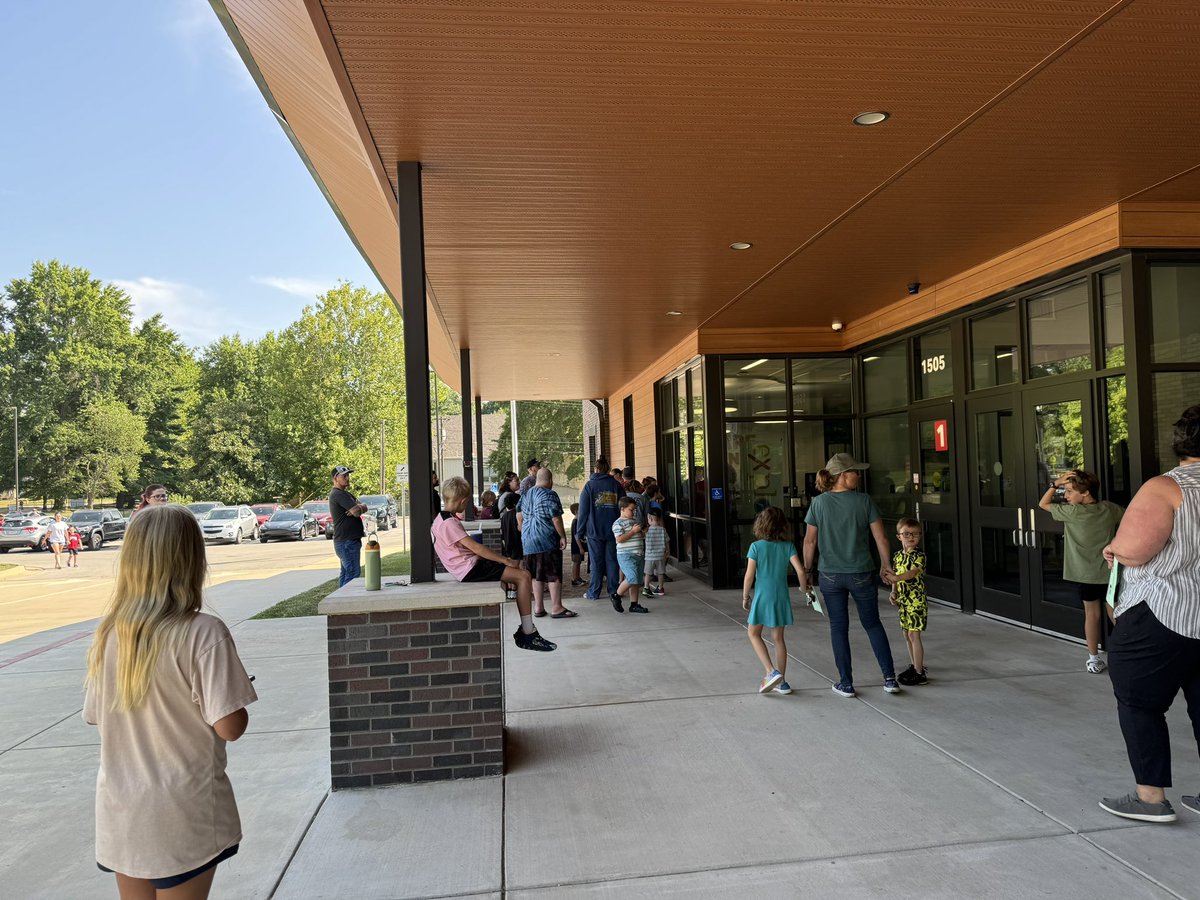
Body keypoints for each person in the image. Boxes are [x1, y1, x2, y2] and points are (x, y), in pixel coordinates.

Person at [84, 503, 257, 898]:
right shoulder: (203, 633)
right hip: (181, 811)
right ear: (192, 560)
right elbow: (230, 727)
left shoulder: (110, 634)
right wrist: (232, 690)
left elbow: (97, 716)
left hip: (121, 811)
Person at [1098, 405, 1200, 824]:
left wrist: (1114, 549)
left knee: (1139, 702)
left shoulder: (1166, 487)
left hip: (1163, 614)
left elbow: (1137, 549)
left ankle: (1150, 798)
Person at [803, 452, 900, 698]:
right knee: (872, 623)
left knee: (838, 627)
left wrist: (806, 571)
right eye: (855, 472)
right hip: (861, 572)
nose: (858, 475)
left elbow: (810, 541)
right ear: (842, 476)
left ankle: (846, 683)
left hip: (830, 575)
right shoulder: (863, 501)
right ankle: (889, 678)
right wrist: (885, 565)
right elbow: (881, 537)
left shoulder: (819, 503)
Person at [431, 476, 556, 652]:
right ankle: (528, 633)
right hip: (470, 569)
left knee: (519, 577)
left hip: (466, 568)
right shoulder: (449, 523)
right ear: (463, 501)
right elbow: (477, 548)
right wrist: (505, 560)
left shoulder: (439, 520)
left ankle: (527, 629)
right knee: (523, 576)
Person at [1038, 468, 1124, 673]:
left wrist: (1055, 483)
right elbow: (1130, 518)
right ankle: (1125, 653)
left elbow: (1043, 504)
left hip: (1084, 574)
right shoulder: (1109, 509)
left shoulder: (1072, 512)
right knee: (1117, 614)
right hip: (1110, 572)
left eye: (1069, 491)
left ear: (1085, 493)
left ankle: (1094, 658)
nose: (1065, 496)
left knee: (1091, 615)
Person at [742, 506, 808, 694]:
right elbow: (801, 571)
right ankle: (782, 682)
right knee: (778, 638)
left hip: (763, 596)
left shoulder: (756, 547)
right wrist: (804, 588)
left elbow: (749, 576)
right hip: (781, 596)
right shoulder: (788, 546)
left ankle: (771, 671)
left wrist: (746, 596)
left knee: (753, 633)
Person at [517, 468, 574, 618]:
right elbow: (556, 518)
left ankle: (538, 607)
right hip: (546, 540)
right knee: (552, 574)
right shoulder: (550, 494)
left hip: (528, 541)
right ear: (550, 481)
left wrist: (523, 529)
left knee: (536, 575)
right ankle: (556, 607)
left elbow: (519, 515)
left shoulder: (525, 495)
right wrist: (562, 536)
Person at [886, 517, 929, 686]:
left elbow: (911, 573)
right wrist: (893, 592)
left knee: (914, 634)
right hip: (904, 601)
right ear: (899, 536)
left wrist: (895, 577)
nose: (911, 537)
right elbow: (896, 577)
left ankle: (920, 672)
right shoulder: (898, 556)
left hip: (916, 601)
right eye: (907, 534)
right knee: (906, 634)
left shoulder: (919, 556)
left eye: (916, 534)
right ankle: (914, 665)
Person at [576, 456, 624, 601]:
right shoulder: (616, 485)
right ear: (608, 470)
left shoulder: (589, 486)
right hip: (613, 531)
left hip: (594, 531)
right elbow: (623, 507)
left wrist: (579, 531)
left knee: (596, 562)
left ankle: (594, 593)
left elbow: (583, 511)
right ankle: (613, 592)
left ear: (595, 469)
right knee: (612, 561)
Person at [329, 465, 369, 587]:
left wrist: (360, 506)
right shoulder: (338, 494)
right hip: (347, 542)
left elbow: (362, 507)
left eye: (348, 475)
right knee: (352, 575)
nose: (347, 478)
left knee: (346, 573)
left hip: (347, 541)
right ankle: (345, 603)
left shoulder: (346, 494)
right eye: (344, 476)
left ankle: (340, 602)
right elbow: (356, 512)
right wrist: (358, 508)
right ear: (336, 478)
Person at [612, 497, 649, 613]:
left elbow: (638, 537)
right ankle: (616, 596)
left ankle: (634, 604)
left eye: (634, 510)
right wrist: (633, 531)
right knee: (632, 577)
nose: (633, 512)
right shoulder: (618, 523)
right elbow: (619, 539)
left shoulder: (633, 521)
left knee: (637, 581)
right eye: (631, 510)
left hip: (638, 554)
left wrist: (642, 532)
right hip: (626, 555)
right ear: (622, 509)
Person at [643, 508, 670, 597]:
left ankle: (646, 588)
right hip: (660, 556)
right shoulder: (663, 530)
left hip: (649, 557)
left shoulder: (647, 531)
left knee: (648, 573)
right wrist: (667, 552)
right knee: (660, 573)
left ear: (650, 519)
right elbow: (667, 542)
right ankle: (660, 589)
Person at [499, 491, 523, 561]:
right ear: (516, 504)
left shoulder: (504, 516)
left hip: (508, 546)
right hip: (519, 546)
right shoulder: (518, 514)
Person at [569, 502, 585, 587]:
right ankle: (575, 579)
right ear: (576, 511)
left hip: (579, 546)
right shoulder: (576, 522)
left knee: (578, 562)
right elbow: (576, 536)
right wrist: (580, 548)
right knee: (576, 562)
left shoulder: (578, 521)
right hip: (576, 547)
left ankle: (578, 577)